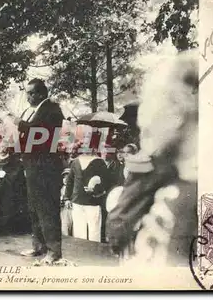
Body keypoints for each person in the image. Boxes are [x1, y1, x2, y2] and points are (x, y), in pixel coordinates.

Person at [106, 49, 198, 266]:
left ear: (179, 109)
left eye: (150, 103)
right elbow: (118, 228)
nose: (142, 121)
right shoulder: (158, 171)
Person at [8, 78, 65, 264]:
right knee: (34, 208)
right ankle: (38, 246)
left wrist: (20, 123)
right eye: (27, 93)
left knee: (48, 208)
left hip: (47, 168)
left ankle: (54, 251)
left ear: (42, 93)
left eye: (32, 93)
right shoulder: (32, 111)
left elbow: (41, 135)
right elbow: (28, 140)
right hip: (32, 167)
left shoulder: (52, 110)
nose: (28, 97)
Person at [64, 135, 110, 243]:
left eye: (89, 145)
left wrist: (96, 190)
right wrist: (67, 198)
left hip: (93, 202)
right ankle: (81, 253)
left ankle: (94, 254)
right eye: (84, 145)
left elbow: (106, 181)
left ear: (94, 147)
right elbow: (70, 181)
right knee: (79, 231)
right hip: (77, 201)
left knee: (94, 231)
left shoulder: (99, 162)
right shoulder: (76, 161)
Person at [0, 144, 29, 235]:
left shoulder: (15, 162)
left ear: (7, 148)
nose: (1, 149)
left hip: (11, 190)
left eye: (4, 147)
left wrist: (3, 177)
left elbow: (15, 177)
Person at [60, 168, 73, 237]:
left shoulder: (73, 188)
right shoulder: (62, 188)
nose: (65, 179)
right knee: (65, 228)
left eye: (68, 177)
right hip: (64, 210)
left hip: (71, 209)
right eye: (64, 177)